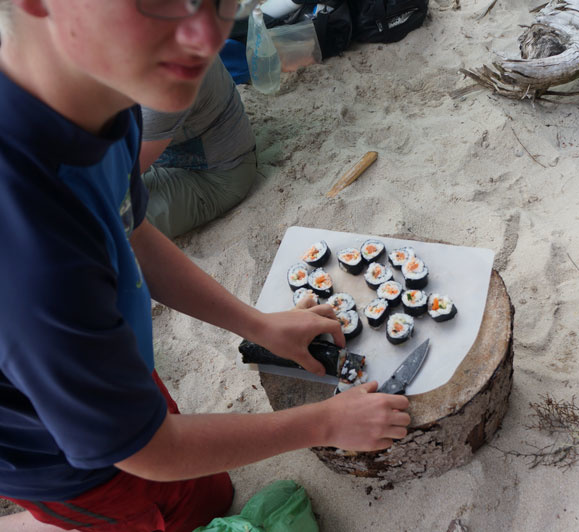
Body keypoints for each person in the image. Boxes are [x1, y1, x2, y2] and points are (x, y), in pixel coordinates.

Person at [0, 1, 410, 531]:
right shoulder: (34, 250)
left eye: (220, 1)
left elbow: (132, 230)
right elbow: (147, 452)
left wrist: (259, 325)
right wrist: (323, 421)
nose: (205, 37)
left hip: (116, 380)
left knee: (210, 492)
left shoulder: (103, 92)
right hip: (69, 466)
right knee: (167, 514)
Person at [140, 54, 257, 238]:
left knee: (99, 233)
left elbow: (117, 176)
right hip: (156, 155)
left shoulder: (168, 79)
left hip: (214, 176)